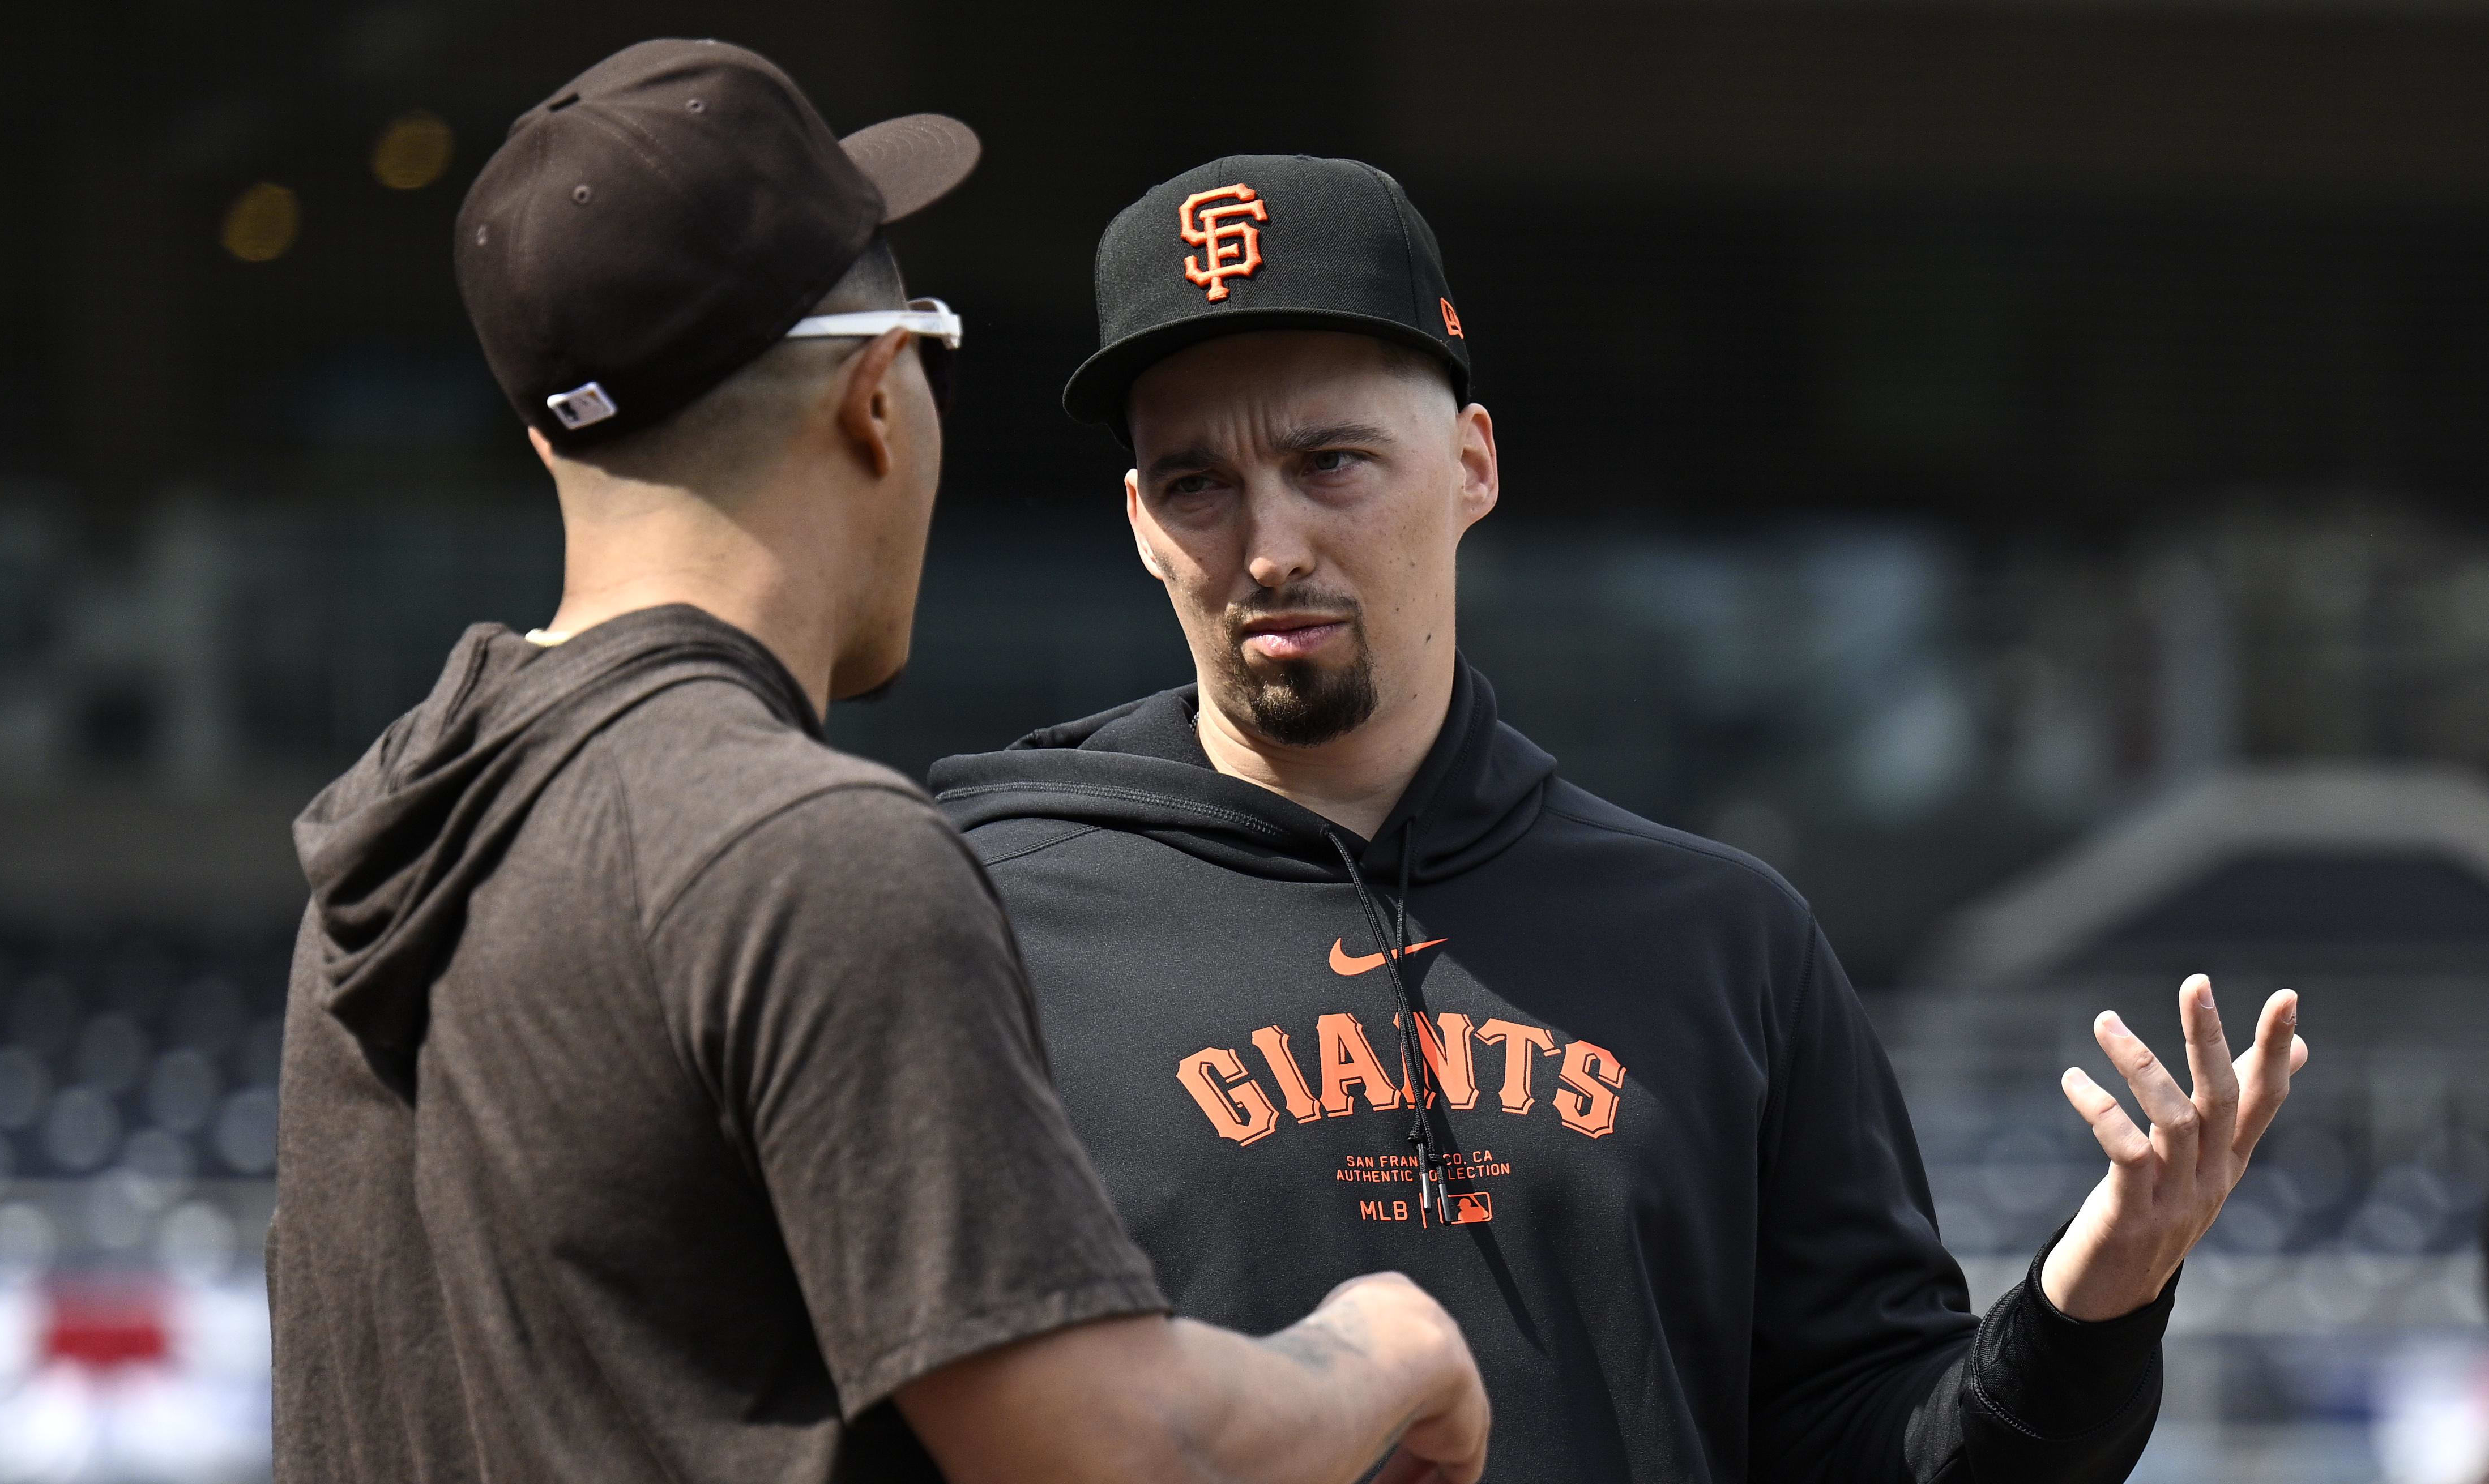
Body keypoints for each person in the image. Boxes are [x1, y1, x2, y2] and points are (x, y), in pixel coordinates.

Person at [929, 153, 2312, 1482]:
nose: (1269, 542)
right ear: (1136, 520)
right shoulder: (982, 923)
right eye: (1196, 484)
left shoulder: (1722, 944)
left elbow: (1873, 1443)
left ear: (1471, 464)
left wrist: (2090, 1309)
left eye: (1331, 461)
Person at [268, 56, 1487, 1484]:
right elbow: (1111, 1453)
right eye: (933, 355)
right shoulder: (804, 850)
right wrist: (1378, 1348)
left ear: (552, 438)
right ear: (872, 396)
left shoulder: (403, 823)